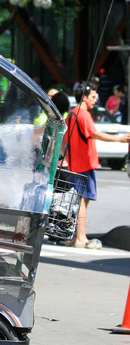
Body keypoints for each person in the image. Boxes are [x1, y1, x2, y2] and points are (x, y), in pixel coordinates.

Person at [64, 83, 130, 249]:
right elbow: (94, 133)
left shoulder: (71, 114)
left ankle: (73, 237)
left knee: (76, 201)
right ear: (84, 97)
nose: (95, 100)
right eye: (93, 97)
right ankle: (81, 237)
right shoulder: (84, 114)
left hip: (74, 165)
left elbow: (65, 139)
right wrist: (119, 139)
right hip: (85, 164)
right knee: (83, 202)